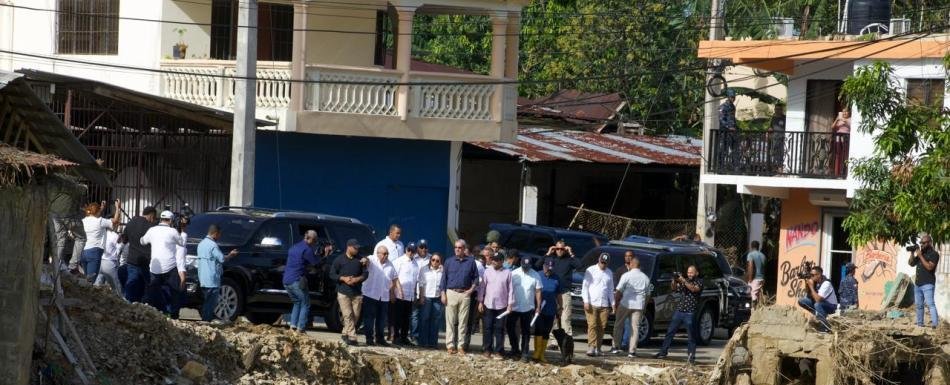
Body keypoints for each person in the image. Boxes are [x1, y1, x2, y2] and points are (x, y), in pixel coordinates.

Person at [140, 210, 185, 318]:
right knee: (175, 292)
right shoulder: (173, 231)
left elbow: (142, 241)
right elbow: (182, 243)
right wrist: (180, 230)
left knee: (153, 291)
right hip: (170, 267)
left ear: (160, 219)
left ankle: (153, 313)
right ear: (171, 220)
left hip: (155, 267)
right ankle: (173, 315)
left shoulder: (152, 230)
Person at [656, 265, 704, 364]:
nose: (689, 274)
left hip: (690, 312)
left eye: (691, 272)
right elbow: (674, 289)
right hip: (679, 311)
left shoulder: (699, 281)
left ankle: (691, 357)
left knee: (691, 336)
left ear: (696, 273)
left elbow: (694, 289)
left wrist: (683, 280)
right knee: (670, 332)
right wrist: (674, 280)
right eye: (688, 272)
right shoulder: (684, 281)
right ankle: (663, 352)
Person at [441, 239, 479, 355]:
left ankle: (461, 346)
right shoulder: (448, 261)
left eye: (459, 248)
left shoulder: (471, 262)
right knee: (450, 321)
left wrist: (471, 290)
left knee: (463, 322)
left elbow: (476, 278)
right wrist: (443, 293)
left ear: (464, 249)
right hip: (451, 292)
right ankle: (450, 345)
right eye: (456, 247)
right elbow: (444, 279)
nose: (457, 249)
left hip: (465, 293)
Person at [537, 240, 579, 343]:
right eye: (558, 249)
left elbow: (579, 265)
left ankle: (567, 340)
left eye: (562, 249)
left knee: (565, 318)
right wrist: (548, 253)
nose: (560, 251)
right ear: (555, 249)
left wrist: (571, 253)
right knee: (553, 318)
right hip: (553, 293)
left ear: (565, 249)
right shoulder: (550, 258)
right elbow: (538, 264)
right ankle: (554, 341)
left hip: (564, 292)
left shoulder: (569, 259)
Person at [196, 224, 238, 322]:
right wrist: (231, 255)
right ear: (215, 233)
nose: (219, 236)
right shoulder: (213, 245)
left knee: (206, 301)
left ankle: (204, 320)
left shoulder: (201, 244)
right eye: (219, 234)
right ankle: (206, 321)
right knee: (211, 302)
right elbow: (222, 259)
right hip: (212, 279)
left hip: (202, 277)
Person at [330, 239, 368, 345]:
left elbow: (366, 274)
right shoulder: (339, 260)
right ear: (349, 247)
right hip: (343, 292)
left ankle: (344, 333)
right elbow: (332, 274)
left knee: (355, 316)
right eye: (355, 248)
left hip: (357, 292)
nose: (357, 250)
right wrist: (343, 278)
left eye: (358, 248)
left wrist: (357, 279)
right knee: (348, 315)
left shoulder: (361, 260)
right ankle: (352, 336)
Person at [612, 255, 649, 357]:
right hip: (639, 305)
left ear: (632, 264)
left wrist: (615, 302)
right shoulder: (645, 278)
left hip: (626, 303)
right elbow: (648, 294)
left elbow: (619, 291)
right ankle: (632, 351)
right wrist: (644, 306)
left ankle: (616, 347)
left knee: (618, 324)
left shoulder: (626, 275)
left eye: (629, 263)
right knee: (635, 328)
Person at [283, 230, 320, 333]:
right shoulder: (307, 249)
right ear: (311, 239)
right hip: (296, 280)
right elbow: (315, 262)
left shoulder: (294, 247)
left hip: (286, 280)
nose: (315, 242)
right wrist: (324, 254)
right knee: (305, 303)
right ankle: (301, 328)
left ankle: (293, 326)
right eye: (315, 240)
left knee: (297, 302)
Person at [478, 251, 513, 359]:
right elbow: (482, 287)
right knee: (487, 327)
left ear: (502, 261)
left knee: (499, 328)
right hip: (488, 304)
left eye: (497, 260)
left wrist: (510, 304)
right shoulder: (487, 271)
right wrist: (480, 301)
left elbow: (511, 289)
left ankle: (499, 351)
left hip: (502, 305)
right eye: (493, 259)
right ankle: (487, 349)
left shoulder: (508, 272)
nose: (494, 261)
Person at [363, 245, 399, 346]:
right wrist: (364, 260)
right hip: (370, 294)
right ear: (378, 253)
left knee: (382, 319)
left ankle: (380, 338)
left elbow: (394, 278)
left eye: (387, 254)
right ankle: (369, 339)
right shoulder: (372, 259)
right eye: (384, 253)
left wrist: (392, 293)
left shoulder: (390, 264)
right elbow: (366, 260)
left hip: (383, 296)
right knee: (369, 318)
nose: (386, 255)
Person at [509, 256, 541, 362]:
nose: (525, 268)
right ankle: (514, 349)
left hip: (528, 307)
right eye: (524, 266)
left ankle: (524, 353)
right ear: (520, 264)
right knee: (511, 329)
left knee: (526, 332)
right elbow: (509, 289)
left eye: (527, 266)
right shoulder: (514, 273)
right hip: (514, 306)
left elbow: (538, 291)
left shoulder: (535, 275)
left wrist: (538, 306)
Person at [582, 252, 614, 357]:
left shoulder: (609, 272)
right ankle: (591, 347)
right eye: (602, 262)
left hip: (604, 304)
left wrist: (613, 303)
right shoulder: (590, 270)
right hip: (592, 302)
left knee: (602, 326)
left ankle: (598, 348)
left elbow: (610, 290)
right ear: (599, 260)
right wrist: (586, 301)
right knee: (592, 325)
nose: (603, 264)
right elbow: (585, 286)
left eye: (605, 263)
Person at [81, 200, 122, 282]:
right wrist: (118, 208)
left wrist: (101, 208)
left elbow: (94, 214)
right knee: (90, 281)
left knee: (87, 279)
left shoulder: (84, 220)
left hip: (83, 252)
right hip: (94, 252)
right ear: (98, 211)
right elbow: (115, 221)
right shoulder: (100, 221)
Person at [124, 206, 157, 303]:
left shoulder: (130, 223)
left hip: (132, 260)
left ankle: (128, 305)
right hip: (147, 262)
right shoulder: (152, 227)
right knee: (147, 286)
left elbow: (124, 239)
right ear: (152, 215)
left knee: (131, 284)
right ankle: (144, 307)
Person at [533, 260, 561, 363]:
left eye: (551, 268)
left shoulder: (556, 278)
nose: (549, 270)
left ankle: (541, 354)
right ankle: (536, 352)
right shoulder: (538, 275)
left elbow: (558, 294)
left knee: (546, 331)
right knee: (539, 329)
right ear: (544, 266)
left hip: (551, 308)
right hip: (539, 308)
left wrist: (560, 307)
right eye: (547, 268)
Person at [909, 233, 940, 328]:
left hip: (928, 284)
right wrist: (912, 253)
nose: (921, 245)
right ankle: (920, 324)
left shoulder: (934, 254)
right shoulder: (920, 253)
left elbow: (930, 267)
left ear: (930, 243)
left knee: (930, 304)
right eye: (921, 243)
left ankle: (935, 324)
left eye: (924, 243)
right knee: (919, 305)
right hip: (918, 284)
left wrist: (920, 256)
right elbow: (911, 263)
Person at [393, 243, 421, 346]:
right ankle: (396, 337)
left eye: (413, 251)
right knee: (398, 318)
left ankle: (404, 338)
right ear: (406, 249)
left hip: (410, 296)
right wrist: (399, 290)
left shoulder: (415, 264)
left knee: (406, 318)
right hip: (400, 294)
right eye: (409, 250)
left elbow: (416, 280)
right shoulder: (399, 261)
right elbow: (395, 277)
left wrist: (415, 294)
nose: (410, 252)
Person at [797, 266, 838, 333]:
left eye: (812, 275)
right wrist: (808, 285)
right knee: (802, 301)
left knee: (817, 304)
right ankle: (817, 314)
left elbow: (818, 299)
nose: (811, 276)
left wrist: (811, 287)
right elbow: (809, 296)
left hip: (831, 306)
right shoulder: (816, 282)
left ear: (819, 275)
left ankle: (825, 327)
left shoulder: (826, 283)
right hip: (820, 303)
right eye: (811, 275)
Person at [417, 253, 445, 348]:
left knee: (435, 321)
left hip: (437, 298)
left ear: (440, 262)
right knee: (424, 319)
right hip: (427, 297)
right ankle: (423, 342)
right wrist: (421, 297)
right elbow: (421, 284)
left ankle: (433, 343)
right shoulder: (424, 269)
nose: (435, 262)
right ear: (430, 260)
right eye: (433, 260)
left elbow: (443, 285)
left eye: (437, 260)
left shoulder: (443, 271)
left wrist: (443, 296)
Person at [410, 239, 432, 342]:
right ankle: (414, 336)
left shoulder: (432, 259)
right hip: (414, 290)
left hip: (426, 291)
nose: (424, 249)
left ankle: (422, 338)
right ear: (417, 248)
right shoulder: (413, 258)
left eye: (425, 247)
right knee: (414, 315)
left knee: (424, 316)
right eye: (421, 247)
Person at [95, 228, 123, 296]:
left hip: (98, 262)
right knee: (116, 287)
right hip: (109, 263)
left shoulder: (100, 234)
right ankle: (120, 304)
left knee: (97, 286)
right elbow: (119, 249)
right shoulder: (114, 236)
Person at [745, 241, 766, 306]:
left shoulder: (750, 255)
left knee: (751, 296)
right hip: (762, 278)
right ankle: (757, 310)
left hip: (755, 279)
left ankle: (752, 311)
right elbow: (765, 267)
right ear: (758, 246)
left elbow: (751, 266)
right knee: (758, 296)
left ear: (751, 246)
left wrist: (750, 278)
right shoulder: (763, 255)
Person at [831, 108, 851, 176]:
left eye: (846, 112)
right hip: (838, 139)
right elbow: (832, 127)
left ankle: (844, 171)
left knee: (845, 155)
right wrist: (837, 119)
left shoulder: (850, 119)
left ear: (849, 113)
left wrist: (843, 120)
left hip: (846, 139)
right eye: (843, 112)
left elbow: (850, 125)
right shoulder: (839, 119)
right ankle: (837, 171)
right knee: (838, 155)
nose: (844, 113)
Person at [769, 104, 786, 171]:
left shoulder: (784, 118)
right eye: (776, 109)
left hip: (782, 138)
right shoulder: (773, 118)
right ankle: (774, 168)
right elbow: (771, 127)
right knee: (774, 153)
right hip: (774, 138)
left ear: (782, 110)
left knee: (781, 153)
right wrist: (769, 133)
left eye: (779, 109)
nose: (777, 110)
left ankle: (780, 168)